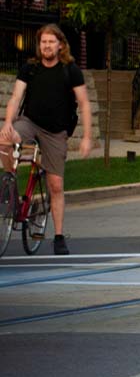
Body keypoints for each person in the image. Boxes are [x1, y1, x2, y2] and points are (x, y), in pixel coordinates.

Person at [0, 24, 93, 255]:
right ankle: (10, 184)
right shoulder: (29, 69)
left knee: (56, 185)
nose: (47, 46)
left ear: (60, 45)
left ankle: (59, 237)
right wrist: (8, 123)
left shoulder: (70, 70)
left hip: (55, 132)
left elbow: (84, 104)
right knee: (3, 141)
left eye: (51, 42)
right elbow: (15, 97)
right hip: (30, 123)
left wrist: (87, 137)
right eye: (43, 42)